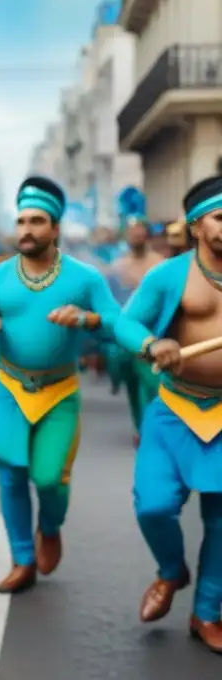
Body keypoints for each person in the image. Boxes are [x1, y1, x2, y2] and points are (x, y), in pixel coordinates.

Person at [0, 176, 140, 594]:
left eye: (37, 220)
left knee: (50, 478)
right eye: (21, 220)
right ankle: (22, 559)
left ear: (54, 228)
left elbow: (118, 324)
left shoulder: (85, 279)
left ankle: (51, 526)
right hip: (10, 388)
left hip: (59, 393)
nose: (26, 229)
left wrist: (87, 319)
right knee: (11, 476)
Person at [118, 175, 222, 651]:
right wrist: (151, 342)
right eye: (221, 218)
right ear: (198, 225)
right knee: (154, 505)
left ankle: (206, 613)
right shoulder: (168, 275)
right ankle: (170, 570)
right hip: (177, 406)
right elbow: (126, 322)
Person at [105, 187, 162, 441]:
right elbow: (110, 307)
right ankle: (140, 425)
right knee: (131, 384)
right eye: (132, 230)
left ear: (147, 233)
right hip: (124, 341)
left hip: (153, 335)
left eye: (141, 229)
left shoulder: (160, 264)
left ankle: (148, 430)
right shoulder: (116, 268)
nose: (136, 234)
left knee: (151, 384)